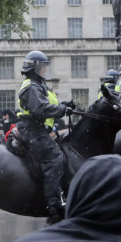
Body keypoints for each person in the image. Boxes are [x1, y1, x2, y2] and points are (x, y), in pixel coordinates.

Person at [16, 50, 76, 224]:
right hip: (31, 129)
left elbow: (49, 105)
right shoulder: (31, 87)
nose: (44, 70)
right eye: (42, 67)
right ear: (33, 68)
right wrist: (63, 110)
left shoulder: (38, 84)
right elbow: (42, 110)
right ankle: (53, 204)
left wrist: (65, 105)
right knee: (55, 158)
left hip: (36, 128)